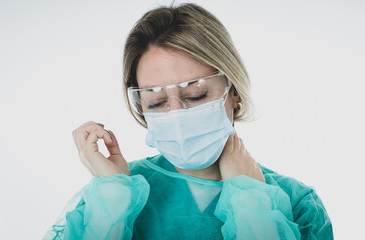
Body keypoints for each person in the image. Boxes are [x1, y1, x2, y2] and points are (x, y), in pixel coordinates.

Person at [43, 3, 333, 240]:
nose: (176, 114)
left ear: (234, 94)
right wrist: (113, 201)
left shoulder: (298, 204)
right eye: (156, 101)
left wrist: (252, 206)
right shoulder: (111, 198)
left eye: (196, 94)